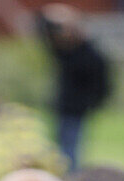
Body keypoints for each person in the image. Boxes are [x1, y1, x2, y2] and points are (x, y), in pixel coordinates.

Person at [37, 4, 110, 171]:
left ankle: (71, 179)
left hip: (77, 109)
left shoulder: (90, 55)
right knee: (60, 148)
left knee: (70, 148)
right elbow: (43, 34)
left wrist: (94, 102)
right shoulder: (65, 52)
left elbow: (102, 83)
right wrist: (50, 16)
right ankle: (64, 176)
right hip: (62, 108)